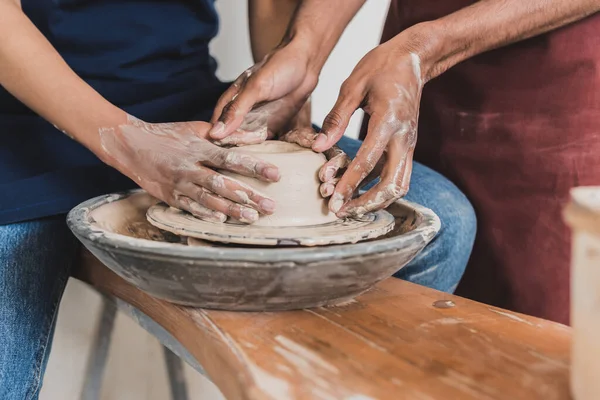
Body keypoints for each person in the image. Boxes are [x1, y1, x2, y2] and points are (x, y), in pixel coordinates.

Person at [0, 0, 474, 397]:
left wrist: (290, 80)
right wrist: (124, 139)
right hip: (24, 115)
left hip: (185, 104)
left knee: (443, 221)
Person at [211, 0, 600, 325]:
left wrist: (424, 49)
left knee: (531, 342)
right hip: (406, 79)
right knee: (402, 326)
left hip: (552, 92)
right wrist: (304, 51)